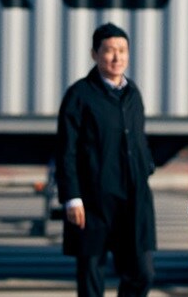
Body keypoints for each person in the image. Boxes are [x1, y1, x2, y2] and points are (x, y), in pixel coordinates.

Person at [55, 23, 156, 297]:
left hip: (132, 199)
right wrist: (71, 197)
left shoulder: (132, 92)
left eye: (122, 50)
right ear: (94, 54)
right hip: (93, 201)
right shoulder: (79, 95)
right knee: (91, 277)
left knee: (142, 272)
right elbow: (66, 150)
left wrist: (146, 165)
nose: (116, 57)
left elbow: (139, 137)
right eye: (109, 50)